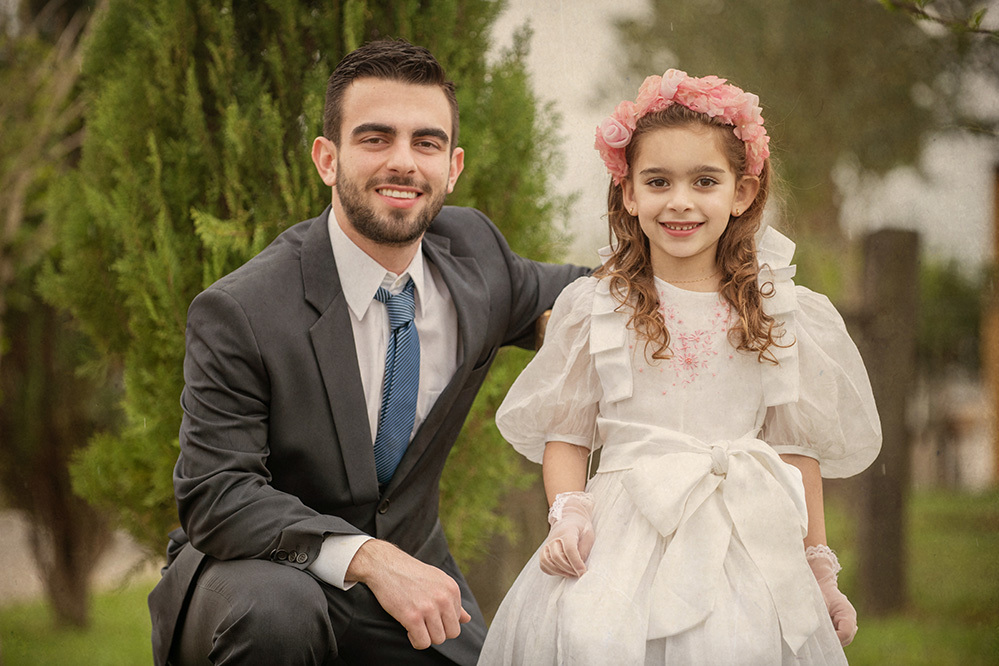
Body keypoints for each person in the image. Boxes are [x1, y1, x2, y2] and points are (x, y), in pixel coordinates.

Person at [147, 39, 588, 666]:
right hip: (254, 577)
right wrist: (369, 558)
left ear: (453, 166)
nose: (403, 162)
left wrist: (702, 230)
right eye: (376, 139)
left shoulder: (477, 259)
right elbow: (216, 492)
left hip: (412, 575)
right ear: (328, 159)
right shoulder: (241, 310)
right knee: (279, 612)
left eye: (426, 142)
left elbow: (600, 292)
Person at [477, 70, 882, 665]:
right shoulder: (597, 306)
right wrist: (568, 513)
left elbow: (796, 453)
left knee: (740, 645)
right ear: (629, 193)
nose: (680, 201)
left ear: (742, 193)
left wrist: (818, 567)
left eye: (705, 181)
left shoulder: (779, 310)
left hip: (743, 536)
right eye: (658, 181)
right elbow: (567, 431)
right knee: (598, 640)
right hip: (624, 532)